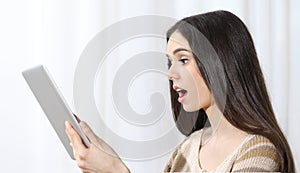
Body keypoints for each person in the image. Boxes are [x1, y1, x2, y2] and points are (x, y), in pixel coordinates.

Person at [65, 10, 295, 172]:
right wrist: (107, 161)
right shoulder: (187, 148)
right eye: (170, 63)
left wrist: (115, 171)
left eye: (183, 60)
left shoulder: (260, 151)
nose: (170, 74)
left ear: (220, 63)